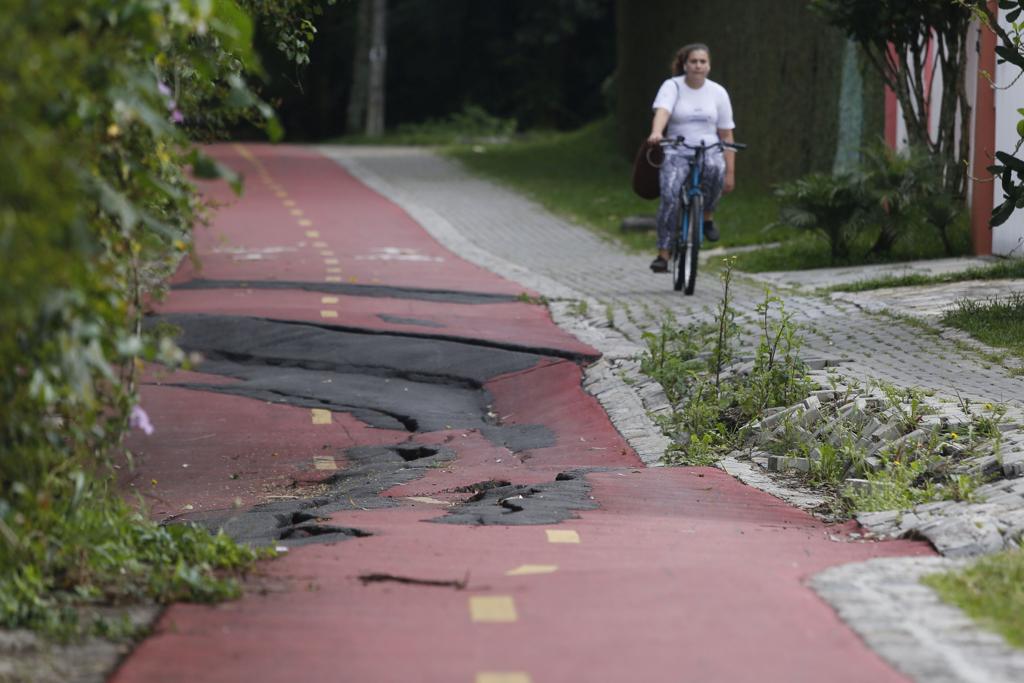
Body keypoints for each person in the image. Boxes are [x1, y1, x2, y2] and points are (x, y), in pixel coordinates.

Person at [646, 43, 736, 273]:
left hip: (709, 148)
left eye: (702, 61)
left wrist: (730, 172)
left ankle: (706, 218)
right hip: (678, 148)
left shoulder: (718, 92)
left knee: (716, 171)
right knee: (670, 194)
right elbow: (663, 111)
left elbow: (726, 133)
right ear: (685, 64)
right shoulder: (672, 86)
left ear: (709, 65)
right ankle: (664, 254)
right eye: (693, 61)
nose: (698, 66)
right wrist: (657, 132)